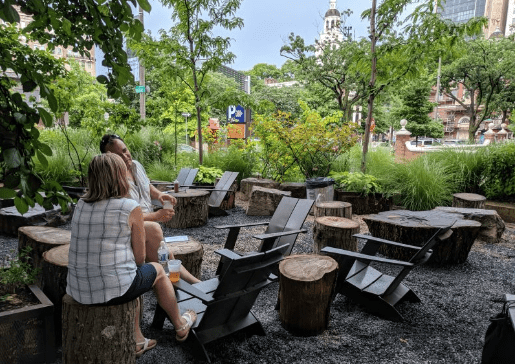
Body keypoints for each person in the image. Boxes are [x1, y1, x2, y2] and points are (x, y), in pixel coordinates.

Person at [66, 153, 197, 357]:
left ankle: (138, 340)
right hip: (113, 291)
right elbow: (139, 259)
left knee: (126, 278)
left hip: (78, 291)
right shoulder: (129, 207)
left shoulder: (81, 205)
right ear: (119, 176)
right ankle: (180, 325)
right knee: (158, 271)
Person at [100, 134, 200, 284]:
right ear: (109, 158)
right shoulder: (112, 180)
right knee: (155, 236)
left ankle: (181, 281)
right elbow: (126, 217)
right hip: (127, 233)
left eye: (125, 150)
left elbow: (146, 185)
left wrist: (160, 195)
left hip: (144, 228)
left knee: (163, 251)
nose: (125, 156)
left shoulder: (136, 165)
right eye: (118, 155)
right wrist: (156, 216)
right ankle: (184, 284)